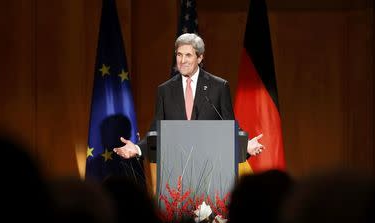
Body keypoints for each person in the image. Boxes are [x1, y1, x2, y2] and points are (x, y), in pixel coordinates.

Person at [113, 33, 264, 159]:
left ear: (199, 58)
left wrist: (246, 146)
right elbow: (157, 132)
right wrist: (137, 149)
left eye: (188, 55)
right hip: (176, 171)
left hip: (211, 169)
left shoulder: (218, 87)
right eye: (179, 55)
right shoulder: (165, 90)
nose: (182, 61)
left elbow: (229, 127)